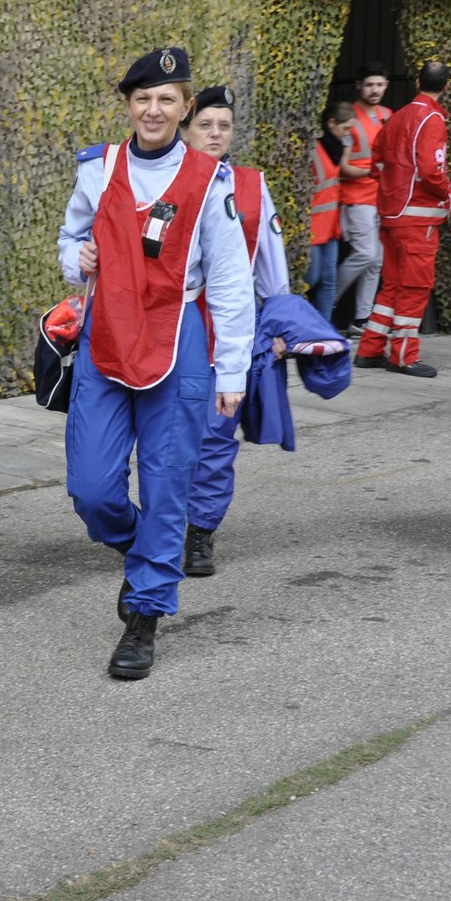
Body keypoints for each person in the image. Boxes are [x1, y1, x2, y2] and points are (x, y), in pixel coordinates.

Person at [57, 48, 255, 680]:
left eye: (167, 98)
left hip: (182, 340)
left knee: (167, 482)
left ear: (185, 108)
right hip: (107, 334)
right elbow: (70, 239)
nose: (153, 108)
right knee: (91, 487)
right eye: (143, 97)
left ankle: (144, 614)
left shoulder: (211, 179)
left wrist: (232, 372)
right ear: (128, 105)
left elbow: (228, 279)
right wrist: (76, 260)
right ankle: (144, 547)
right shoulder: (99, 167)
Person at [179, 85, 291, 577]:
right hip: (171, 328)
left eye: (223, 126)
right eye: (206, 124)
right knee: (165, 436)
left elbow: (272, 261)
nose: (216, 133)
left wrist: (280, 326)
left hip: (230, 332)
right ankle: (158, 521)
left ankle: (199, 531)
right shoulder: (161, 178)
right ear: (186, 127)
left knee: (217, 436)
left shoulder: (251, 184)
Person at [351, 61, 451, 378]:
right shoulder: (433, 118)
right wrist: (448, 195)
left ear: (417, 82)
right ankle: (404, 356)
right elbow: (431, 170)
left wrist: (393, 192)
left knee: (392, 286)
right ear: (446, 87)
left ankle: (369, 350)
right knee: (414, 287)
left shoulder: (396, 117)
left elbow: (376, 161)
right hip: (418, 219)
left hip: (392, 214)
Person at [335, 62, 394, 335]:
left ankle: (362, 318)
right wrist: (372, 172)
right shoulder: (349, 115)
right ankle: (328, 302)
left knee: (377, 260)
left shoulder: (387, 115)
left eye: (380, 84)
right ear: (359, 85)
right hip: (355, 197)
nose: (374, 90)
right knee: (367, 254)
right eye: (369, 84)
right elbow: (342, 166)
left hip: (379, 198)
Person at [305, 101, 356, 321]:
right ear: (331, 123)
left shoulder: (337, 148)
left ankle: (323, 331)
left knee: (328, 280)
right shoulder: (314, 149)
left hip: (330, 227)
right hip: (314, 227)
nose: (348, 133)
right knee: (312, 278)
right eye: (345, 128)